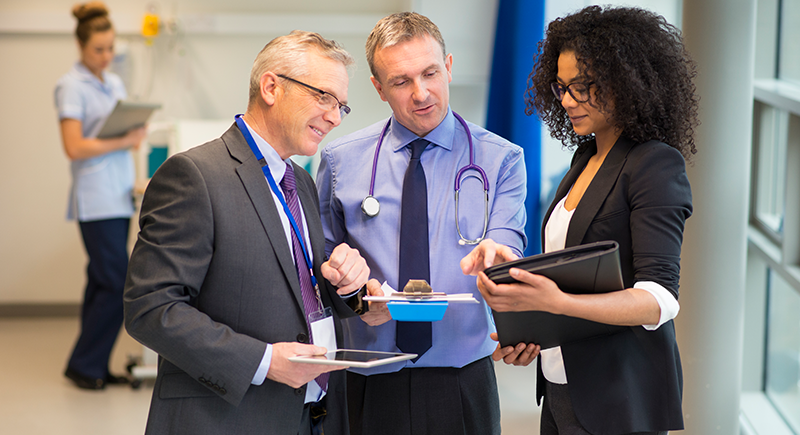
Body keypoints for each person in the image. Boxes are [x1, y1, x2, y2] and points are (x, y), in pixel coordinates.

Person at [463, 5, 698, 435]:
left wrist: (556, 304)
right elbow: (574, 275)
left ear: (626, 82)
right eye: (561, 87)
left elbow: (659, 299)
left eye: (582, 86)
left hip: (618, 396)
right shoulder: (585, 158)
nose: (568, 100)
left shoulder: (655, 164)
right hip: (561, 386)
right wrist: (532, 329)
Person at [124, 31, 371, 435]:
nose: (334, 117)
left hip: (309, 415)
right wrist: (264, 361)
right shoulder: (195, 176)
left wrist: (345, 287)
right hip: (229, 417)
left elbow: (299, 292)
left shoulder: (300, 183)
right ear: (271, 87)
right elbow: (150, 309)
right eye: (324, 97)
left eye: (341, 105)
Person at [316, 12, 528, 435]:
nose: (420, 93)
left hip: (462, 376)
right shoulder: (339, 161)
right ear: (378, 88)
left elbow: (508, 239)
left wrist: (499, 255)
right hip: (367, 375)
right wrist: (357, 296)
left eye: (430, 73)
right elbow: (322, 261)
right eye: (400, 81)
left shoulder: (501, 159)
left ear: (448, 67)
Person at [54, 1, 146, 390]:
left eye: (110, 48)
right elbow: (73, 146)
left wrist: (132, 139)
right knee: (116, 283)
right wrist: (123, 139)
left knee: (99, 282)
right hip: (94, 199)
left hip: (118, 195)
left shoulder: (114, 83)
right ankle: (86, 362)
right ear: (80, 45)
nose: (106, 56)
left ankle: (87, 364)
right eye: (98, 49)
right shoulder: (70, 86)